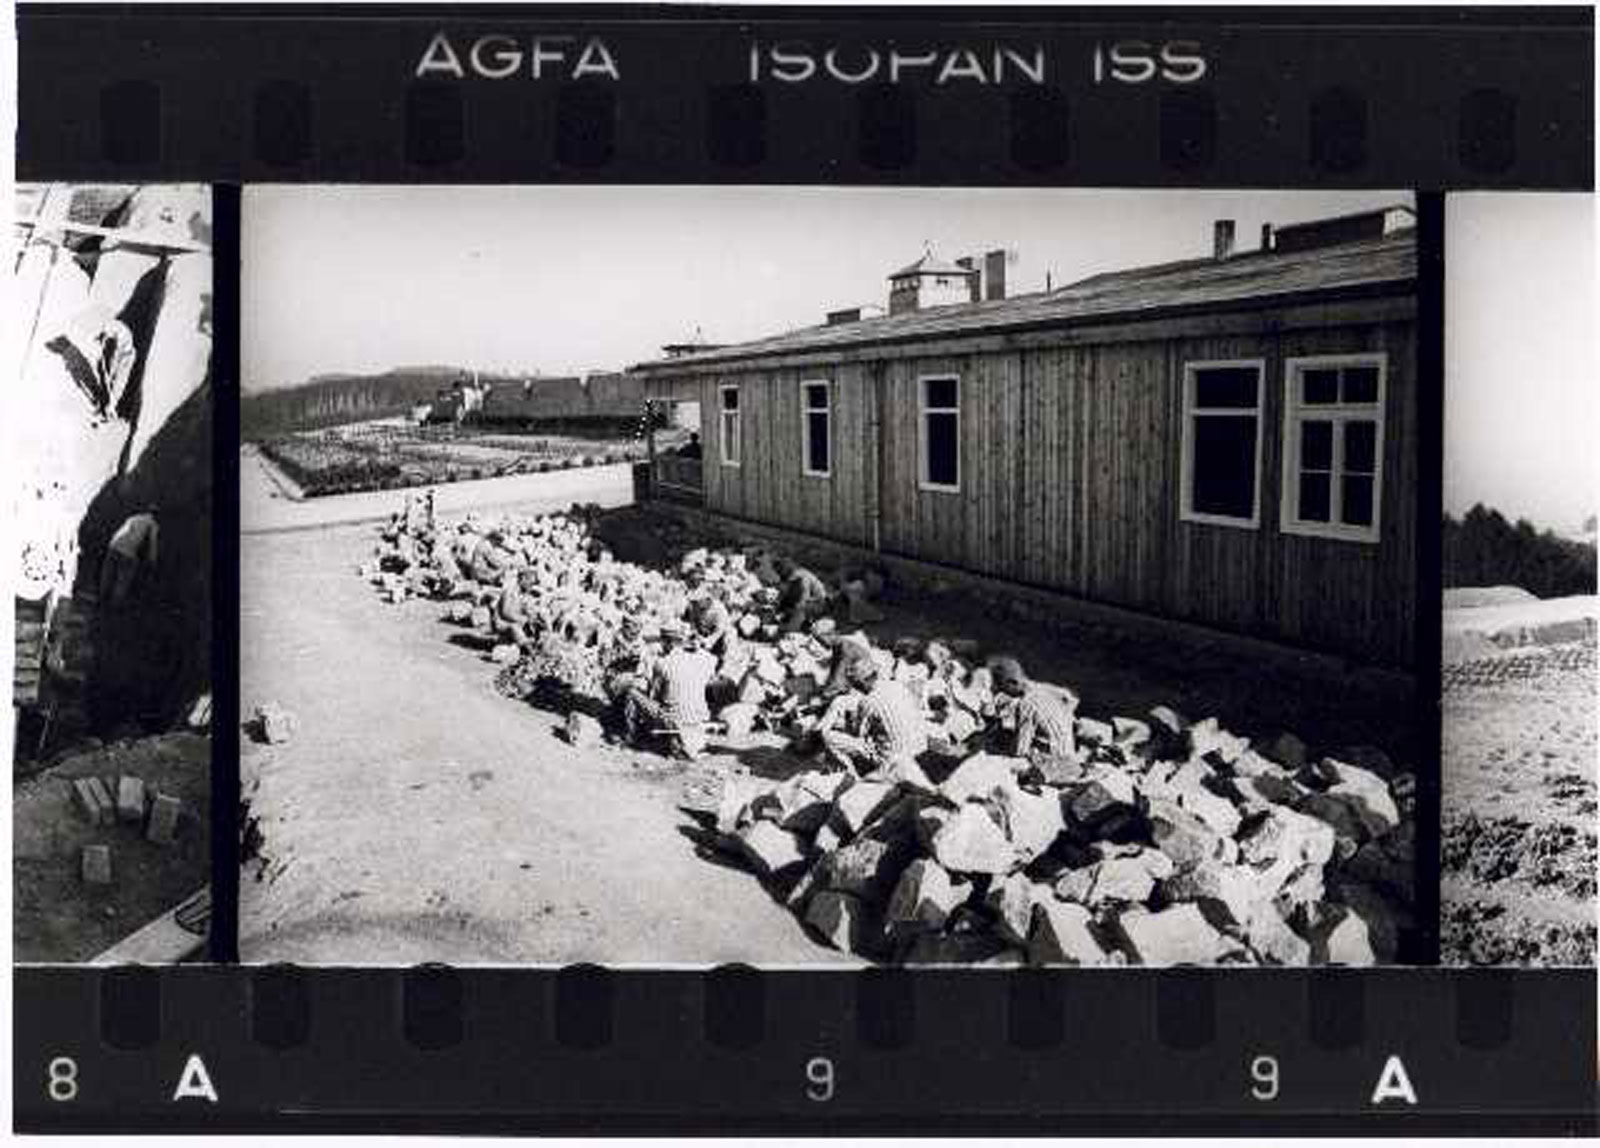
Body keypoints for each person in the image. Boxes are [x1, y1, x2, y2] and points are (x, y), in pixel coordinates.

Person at [623, 621, 718, 760]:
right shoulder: (703, 660)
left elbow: (654, 696)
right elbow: (712, 660)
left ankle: (632, 738)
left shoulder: (662, 663)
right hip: (699, 722)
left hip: (674, 721)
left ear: (666, 642)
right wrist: (698, 647)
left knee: (632, 693)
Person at [818, 657, 928, 775]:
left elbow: (858, 734)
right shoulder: (898, 686)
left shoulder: (868, 701)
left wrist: (842, 722)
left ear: (862, 682)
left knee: (828, 737)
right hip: (920, 747)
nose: (856, 688)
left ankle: (852, 774)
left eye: (856, 684)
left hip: (892, 760)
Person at [990, 656, 1079, 763]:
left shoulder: (1026, 703)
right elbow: (1070, 701)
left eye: (1002, 687)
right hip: (1068, 753)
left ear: (1012, 682)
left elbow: (1020, 750)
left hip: (1056, 762)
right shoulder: (1044, 690)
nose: (1003, 693)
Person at [99, 506, 159, 608]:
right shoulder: (153, 525)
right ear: (156, 515)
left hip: (114, 545)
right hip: (128, 552)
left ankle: (101, 599)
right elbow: (152, 544)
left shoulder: (134, 517)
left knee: (107, 574)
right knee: (123, 579)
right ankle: (115, 605)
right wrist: (152, 560)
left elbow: (122, 530)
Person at [775, 557, 831, 633]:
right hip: (811, 602)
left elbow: (804, 596)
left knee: (797, 608)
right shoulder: (792, 577)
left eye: (780, 570)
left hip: (818, 603)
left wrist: (795, 610)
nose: (779, 573)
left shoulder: (801, 576)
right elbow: (783, 593)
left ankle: (795, 626)